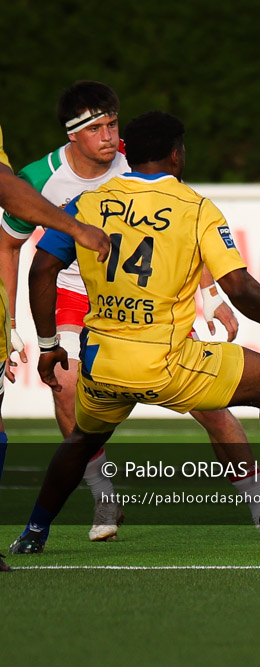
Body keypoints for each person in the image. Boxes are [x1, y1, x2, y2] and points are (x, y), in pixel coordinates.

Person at [8, 111, 260, 556]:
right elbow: (238, 284)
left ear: (129, 152)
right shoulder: (195, 207)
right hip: (168, 363)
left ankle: (33, 532)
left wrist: (48, 345)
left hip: (104, 363)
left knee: (83, 439)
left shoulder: (87, 203)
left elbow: (42, 269)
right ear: (176, 154)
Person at [1, 119, 111, 572]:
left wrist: (208, 297)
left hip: (134, 296)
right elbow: (11, 234)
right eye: (96, 126)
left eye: (112, 124)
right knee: (66, 385)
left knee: (209, 403)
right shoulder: (41, 175)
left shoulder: (136, 160)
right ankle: (104, 497)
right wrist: (76, 227)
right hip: (69, 293)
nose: (107, 135)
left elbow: (185, 223)